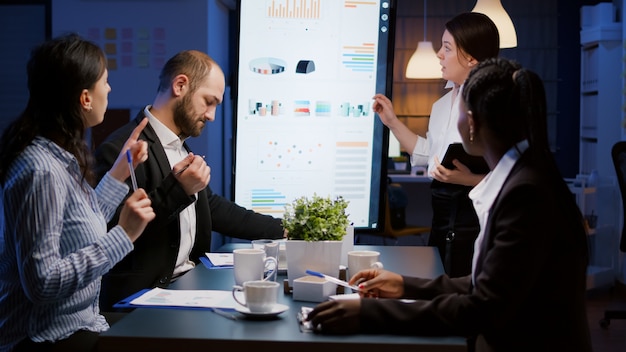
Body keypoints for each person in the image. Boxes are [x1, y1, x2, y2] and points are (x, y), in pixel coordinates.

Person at [306, 58, 592, 351]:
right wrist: (404, 285)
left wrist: (368, 313)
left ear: (471, 123)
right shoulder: (526, 176)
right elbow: (486, 283)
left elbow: (481, 308)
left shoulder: (526, 194)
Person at [94, 50, 285, 312]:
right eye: (209, 101)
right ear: (180, 85)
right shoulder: (122, 149)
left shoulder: (181, 147)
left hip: (189, 287)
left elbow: (213, 208)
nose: (211, 115)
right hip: (143, 302)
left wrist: (283, 230)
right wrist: (180, 189)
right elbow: (118, 235)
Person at [0, 34, 155, 352]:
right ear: (85, 98)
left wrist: (119, 173)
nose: (109, 89)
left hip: (79, 324)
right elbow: (42, 284)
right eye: (105, 81)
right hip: (45, 339)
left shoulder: (58, 156)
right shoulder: (40, 169)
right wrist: (124, 235)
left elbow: (74, 231)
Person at [374, 12, 499, 277]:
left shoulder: (491, 105)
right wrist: (392, 122)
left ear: (471, 58)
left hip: (474, 219)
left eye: (447, 48)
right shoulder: (441, 105)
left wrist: (468, 179)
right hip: (441, 217)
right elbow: (428, 154)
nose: (439, 55)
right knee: (440, 286)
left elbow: (510, 177)